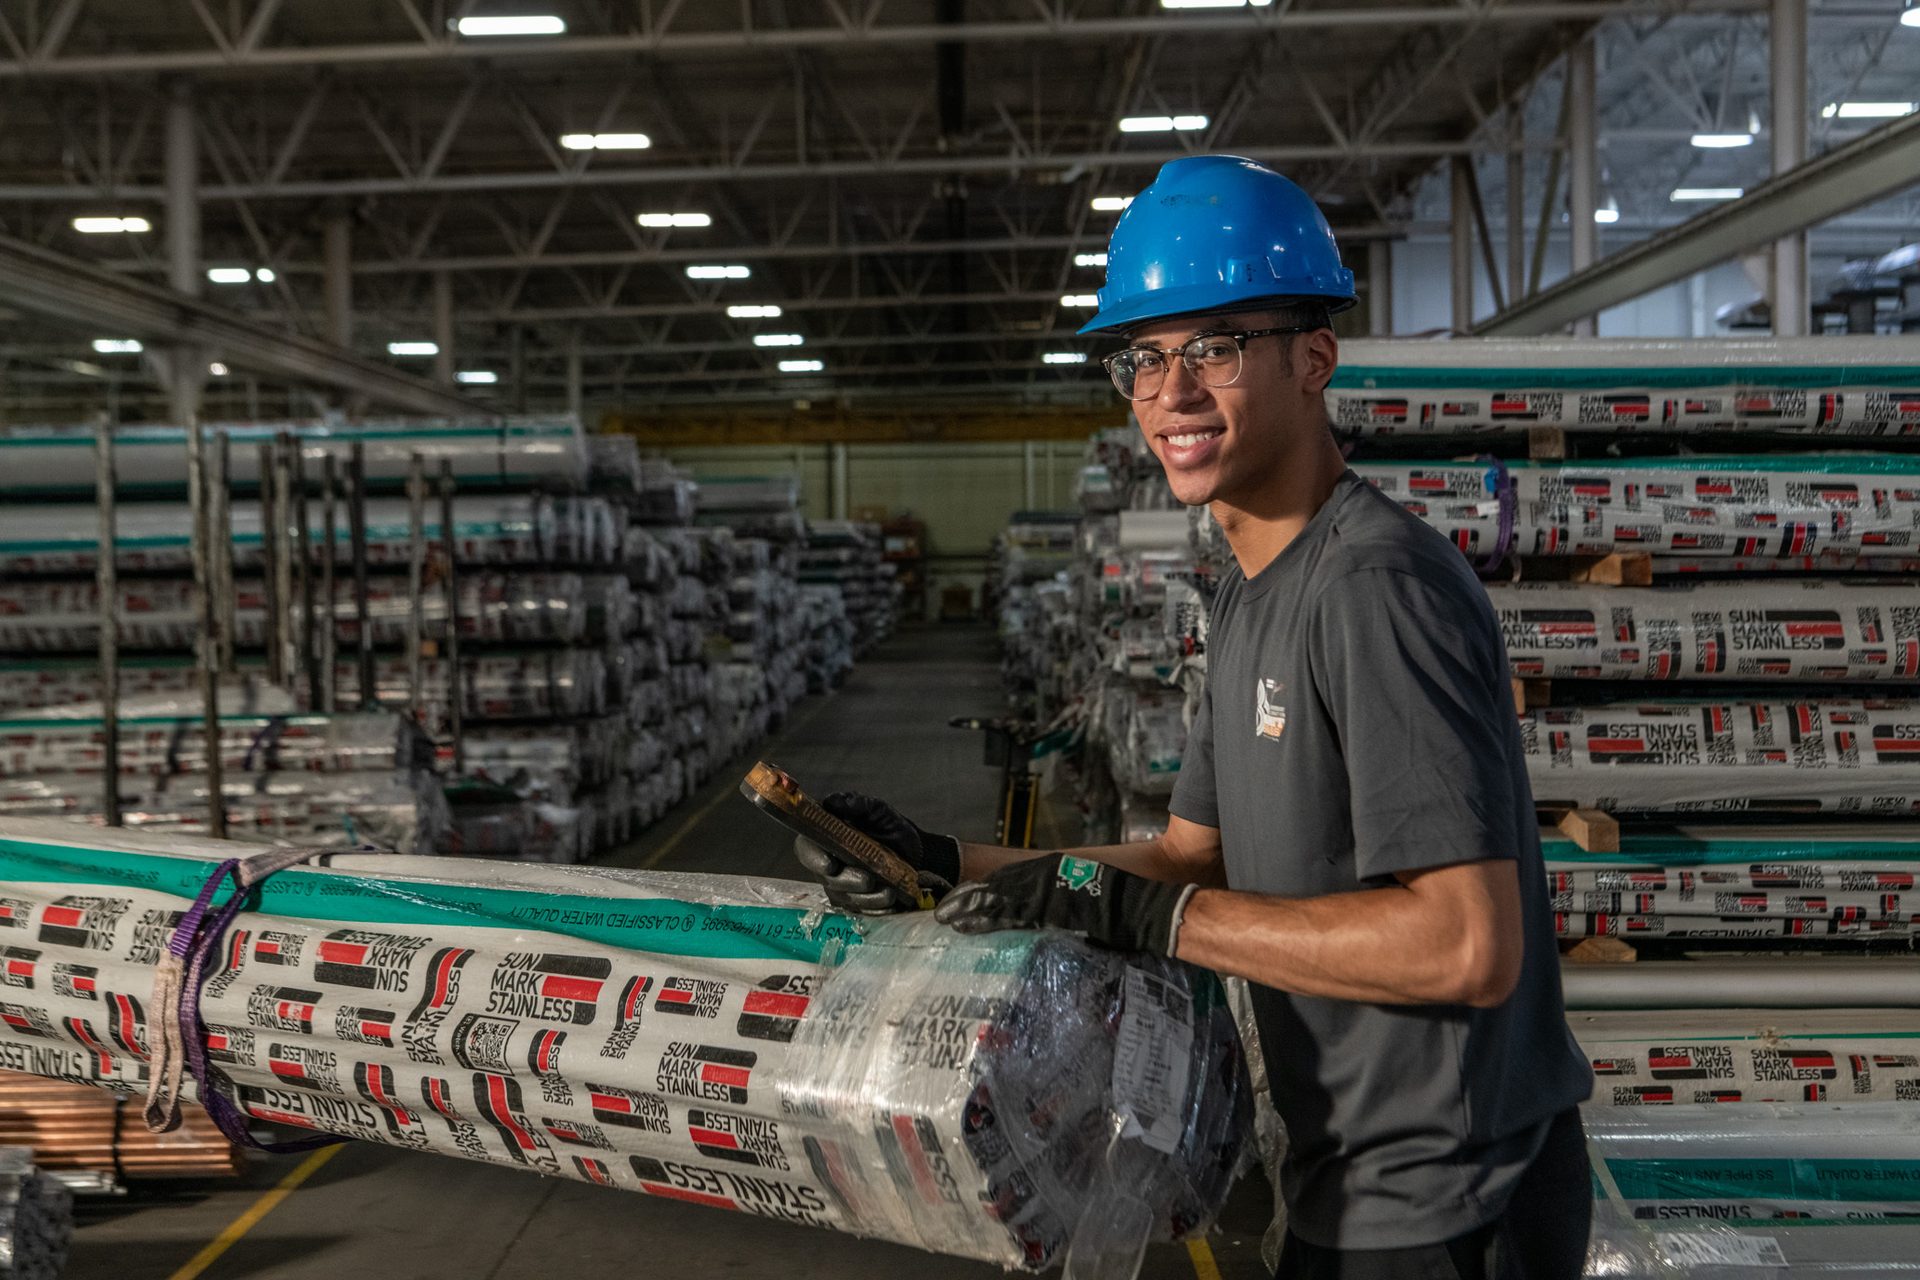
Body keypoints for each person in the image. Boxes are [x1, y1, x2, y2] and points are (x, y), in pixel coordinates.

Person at [794, 155, 1594, 1280]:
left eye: (1215, 345)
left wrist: (1153, 919)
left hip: (1452, 1201)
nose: (1170, 390)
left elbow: (1466, 942)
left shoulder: (1372, 587)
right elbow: (1183, 855)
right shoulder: (1251, 595)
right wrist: (943, 862)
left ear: (1315, 356)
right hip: (1349, 1178)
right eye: (1145, 357)